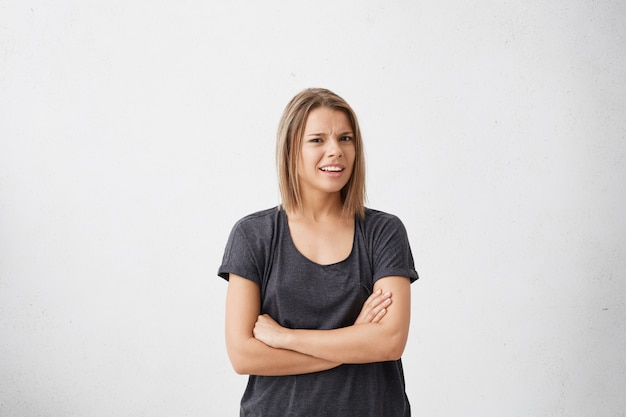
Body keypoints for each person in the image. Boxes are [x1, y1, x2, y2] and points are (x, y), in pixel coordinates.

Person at [218, 88, 419, 416]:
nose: (335, 151)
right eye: (317, 140)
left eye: (345, 138)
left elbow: (388, 342)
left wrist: (285, 338)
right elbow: (244, 356)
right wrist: (355, 340)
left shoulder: (384, 232)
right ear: (290, 150)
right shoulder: (253, 235)